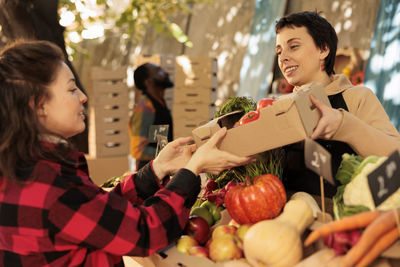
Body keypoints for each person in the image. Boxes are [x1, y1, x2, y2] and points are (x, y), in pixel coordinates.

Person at [0, 40, 252, 266]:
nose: (83, 97)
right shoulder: (52, 184)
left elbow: (99, 213)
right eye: (71, 89)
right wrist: (191, 171)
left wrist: (156, 170)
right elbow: (145, 232)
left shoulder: (25, 168)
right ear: (39, 104)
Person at [274, 11, 400, 196]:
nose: (283, 57)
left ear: (323, 49)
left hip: (343, 219)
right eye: (279, 51)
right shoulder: (279, 108)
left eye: (293, 46)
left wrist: (344, 124)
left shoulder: (357, 97)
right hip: (286, 219)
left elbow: (395, 159)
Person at [129, 63, 174, 170]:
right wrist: (171, 152)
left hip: (160, 169)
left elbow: (158, 139)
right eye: (158, 71)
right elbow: (137, 150)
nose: (165, 73)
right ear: (148, 82)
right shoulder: (145, 108)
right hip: (149, 174)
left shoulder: (159, 104)